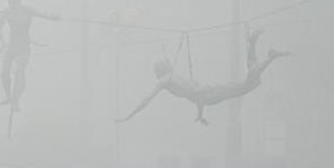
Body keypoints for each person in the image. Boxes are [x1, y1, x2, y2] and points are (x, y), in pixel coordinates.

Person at [117, 27, 290, 125]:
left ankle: (269, 57)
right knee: (248, 83)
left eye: (155, 71)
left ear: (161, 70)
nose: (154, 74)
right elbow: (196, 95)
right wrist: (200, 115)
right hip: (208, 92)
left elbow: (147, 99)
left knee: (248, 84)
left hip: (209, 94)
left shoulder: (165, 80)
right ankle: (254, 42)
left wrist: (130, 115)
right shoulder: (175, 76)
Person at [0, 0, 59, 112]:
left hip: (24, 47)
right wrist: (3, 43)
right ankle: (9, 96)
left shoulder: (27, 9)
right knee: (4, 73)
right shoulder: (6, 11)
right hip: (12, 46)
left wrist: (51, 17)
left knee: (19, 71)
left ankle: (16, 100)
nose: (10, 0)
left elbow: (42, 14)